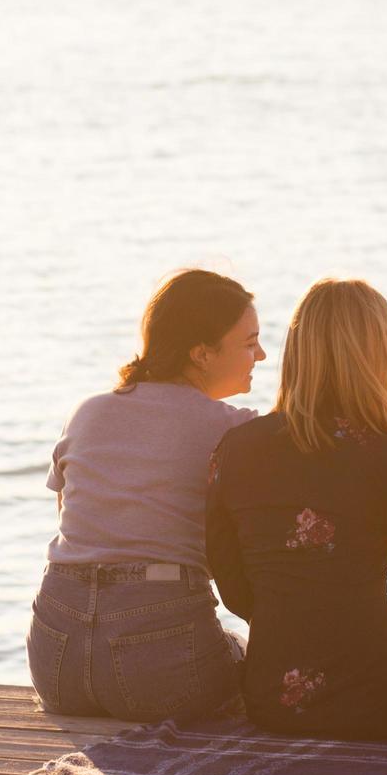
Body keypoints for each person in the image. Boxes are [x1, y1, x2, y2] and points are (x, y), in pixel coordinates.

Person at [29, 269, 264, 721]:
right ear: (201, 353)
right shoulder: (233, 429)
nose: (261, 354)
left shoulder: (88, 411)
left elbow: (70, 517)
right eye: (249, 342)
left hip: (56, 659)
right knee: (248, 658)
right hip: (157, 658)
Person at [205, 279, 387, 739]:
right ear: (383, 357)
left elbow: (233, 589)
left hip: (274, 696)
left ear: (297, 351)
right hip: (379, 693)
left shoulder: (238, 448)